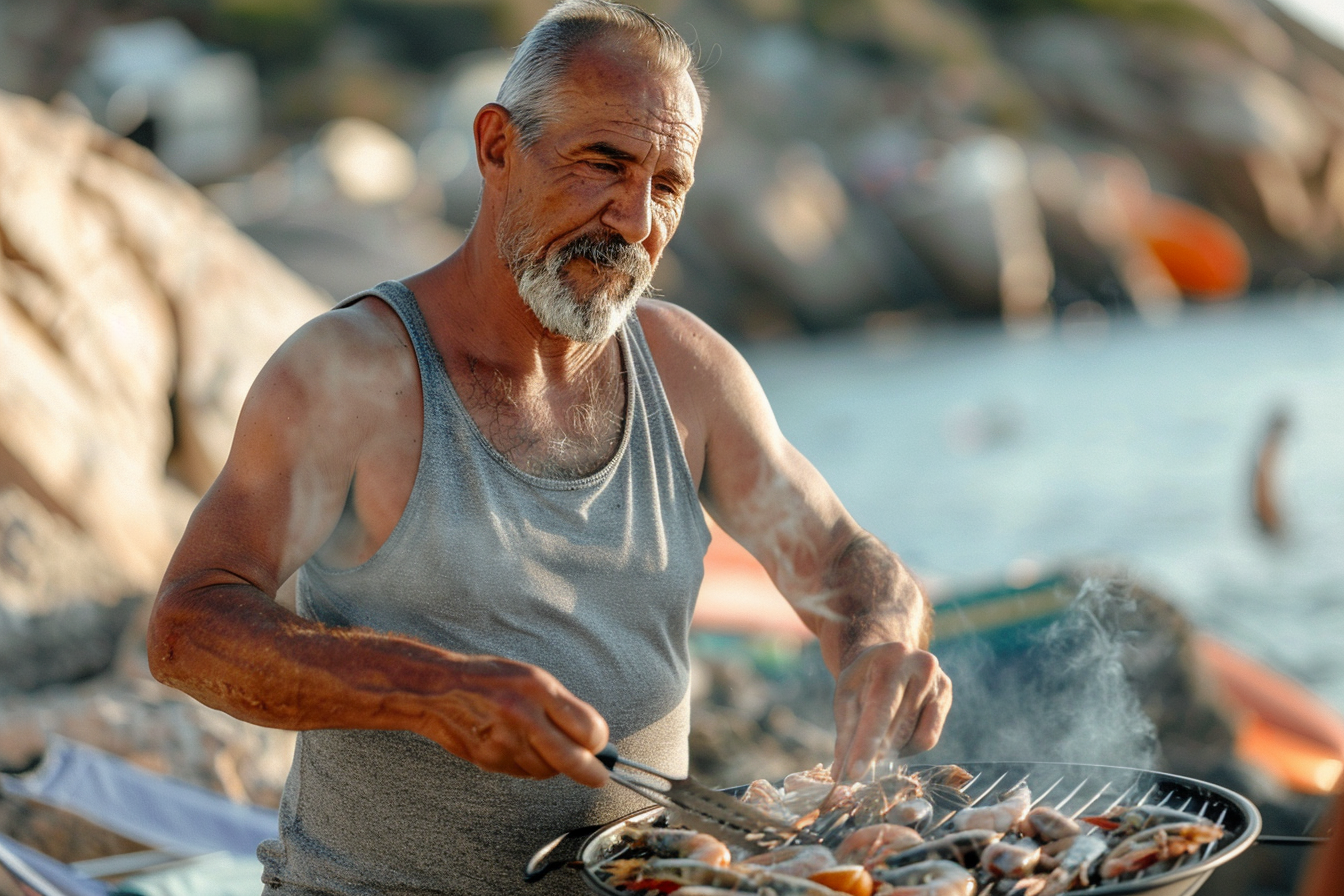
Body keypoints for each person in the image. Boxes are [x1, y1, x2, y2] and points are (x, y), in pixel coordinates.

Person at [147, 1, 952, 892]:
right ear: (497, 146)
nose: (635, 218)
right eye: (603, 163)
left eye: (669, 185)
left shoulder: (690, 376)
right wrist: (429, 690)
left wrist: (880, 639)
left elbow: (840, 558)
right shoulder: (353, 376)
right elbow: (190, 627)